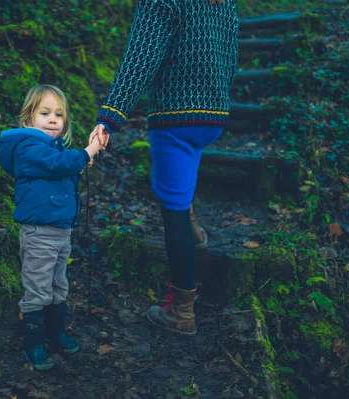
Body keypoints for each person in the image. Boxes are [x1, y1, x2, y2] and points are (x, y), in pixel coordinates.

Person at [90, 0, 239, 335]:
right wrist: (218, 96)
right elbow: (230, 56)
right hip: (213, 115)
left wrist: (110, 116)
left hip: (175, 115)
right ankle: (195, 232)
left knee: (171, 208)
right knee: (182, 178)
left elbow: (140, 57)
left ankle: (182, 311)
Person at [0, 84, 105, 370]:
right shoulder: (28, 147)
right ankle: (31, 344)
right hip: (38, 233)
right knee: (38, 288)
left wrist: (78, 165)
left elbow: (58, 168)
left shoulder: (52, 152)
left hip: (60, 232)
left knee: (59, 285)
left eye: (59, 115)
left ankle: (55, 332)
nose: (52, 120)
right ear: (28, 119)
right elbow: (56, 164)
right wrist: (87, 151)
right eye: (44, 112)